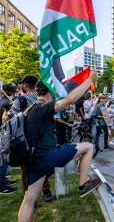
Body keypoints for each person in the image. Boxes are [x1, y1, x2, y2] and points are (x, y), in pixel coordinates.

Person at [18, 72, 101, 222]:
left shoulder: (31, 109)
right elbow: (70, 99)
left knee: (29, 198)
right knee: (88, 146)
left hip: (35, 159)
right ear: (50, 90)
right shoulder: (43, 107)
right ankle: (83, 186)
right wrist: (90, 80)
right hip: (47, 156)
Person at [0, 83, 17, 195]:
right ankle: (1, 185)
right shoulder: (6, 103)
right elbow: (5, 120)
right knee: (3, 159)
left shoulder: (3, 101)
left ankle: (3, 180)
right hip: (3, 133)